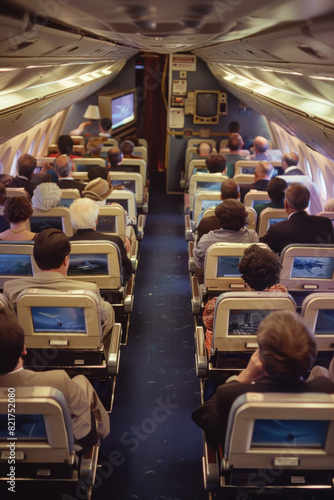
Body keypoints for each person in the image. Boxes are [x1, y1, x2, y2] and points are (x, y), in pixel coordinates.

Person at [192, 310, 334, 450]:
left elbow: (202, 418)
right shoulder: (325, 390)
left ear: (260, 359)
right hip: (310, 470)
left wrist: (245, 376)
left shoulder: (232, 395)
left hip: (243, 470)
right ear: (311, 356)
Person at [0, 307, 109, 455]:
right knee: (81, 382)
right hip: (60, 450)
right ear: (23, 350)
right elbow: (82, 407)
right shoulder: (58, 381)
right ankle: (99, 438)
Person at [3, 228, 115, 341]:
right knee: (107, 309)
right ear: (66, 260)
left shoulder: (11, 289)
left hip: (31, 352)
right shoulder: (89, 291)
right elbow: (103, 321)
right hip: (81, 354)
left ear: (35, 259)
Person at [203, 244, 287, 352]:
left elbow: (209, 325)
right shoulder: (283, 295)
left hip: (228, 357)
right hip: (270, 356)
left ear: (244, 274)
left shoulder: (219, 304)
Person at [69, 198, 132, 283]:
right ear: (96, 220)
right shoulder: (114, 241)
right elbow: (127, 272)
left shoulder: (64, 244)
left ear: (72, 221)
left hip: (75, 288)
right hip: (110, 292)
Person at [260, 183, 334, 254]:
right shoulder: (326, 223)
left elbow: (261, 250)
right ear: (307, 203)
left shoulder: (276, 229)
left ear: (286, 204)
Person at [193, 199, 259, 270]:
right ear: (244, 216)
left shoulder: (208, 239)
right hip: (244, 279)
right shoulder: (252, 236)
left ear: (219, 219)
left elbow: (199, 264)